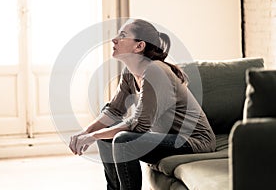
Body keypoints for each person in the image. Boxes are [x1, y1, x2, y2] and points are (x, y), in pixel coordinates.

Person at [69, 19, 216, 190]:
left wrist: (94, 136)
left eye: (122, 36)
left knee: (123, 140)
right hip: (165, 137)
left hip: (194, 141)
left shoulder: (155, 70)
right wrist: (85, 133)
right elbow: (114, 111)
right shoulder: (129, 73)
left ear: (139, 46)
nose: (114, 39)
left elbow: (140, 124)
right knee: (110, 126)